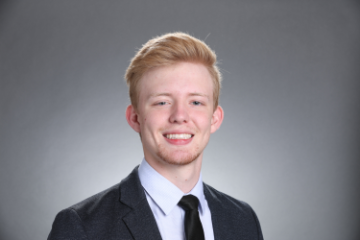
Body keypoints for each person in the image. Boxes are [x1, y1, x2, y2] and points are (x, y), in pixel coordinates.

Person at [48, 32, 263, 240]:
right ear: (135, 118)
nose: (180, 116)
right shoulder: (81, 227)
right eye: (162, 102)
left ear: (215, 119)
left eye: (196, 102)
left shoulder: (243, 220)